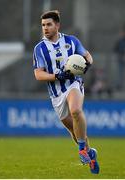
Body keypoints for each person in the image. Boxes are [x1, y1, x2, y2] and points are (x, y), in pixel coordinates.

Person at [33, 10, 99, 174]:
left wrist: (87, 65)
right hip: (56, 94)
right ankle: (90, 154)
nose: (45, 28)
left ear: (57, 25)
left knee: (76, 110)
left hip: (73, 84)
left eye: (49, 24)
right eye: (43, 25)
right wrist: (56, 75)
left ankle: (82, 150)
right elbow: (38, 74)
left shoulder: (71, 41)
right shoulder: (39, 49)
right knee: (74, 130)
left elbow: (88, 55)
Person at [114, 24, 125, 90]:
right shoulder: (120, 41)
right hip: (120, 59)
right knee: (119, 73)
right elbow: (116, 49)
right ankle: (119, 86)